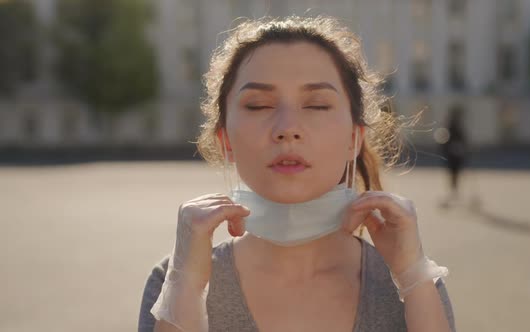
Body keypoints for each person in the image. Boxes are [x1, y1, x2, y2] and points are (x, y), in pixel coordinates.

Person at [139, 16, 455, 332]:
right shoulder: (174, 281)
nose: (288, 128)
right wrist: (186, 285)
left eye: (317, 105)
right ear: (225, 141)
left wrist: (414, 278)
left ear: (354, 139)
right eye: (259, 105)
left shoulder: (412, 285)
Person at [440, 105, 469, 208]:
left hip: (456, 154)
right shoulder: (451, 126)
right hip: (453, 154)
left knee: (455, 173)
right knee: (453, 173)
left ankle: (454, 190)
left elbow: (463, 140)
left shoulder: (455, 125)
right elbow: (445, 139)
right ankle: (454, 190)